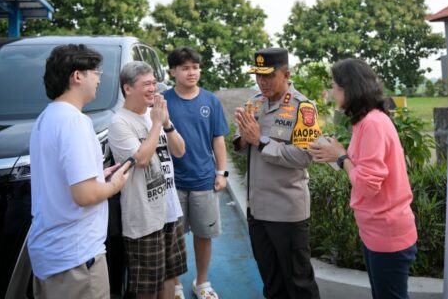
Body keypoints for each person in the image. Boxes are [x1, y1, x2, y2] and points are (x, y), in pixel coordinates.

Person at [308, 58, 418, 299]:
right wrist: (338, 154)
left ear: (349, 88)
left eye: (334, 86)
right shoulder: (366, 122)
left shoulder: (372, 124)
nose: (331, 92)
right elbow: (363, 169)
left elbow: (368, 185)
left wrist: (341, 157)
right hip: (376, 231)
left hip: (386, 233)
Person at [28, 44, 130, 299]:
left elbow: (61, 180)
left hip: (51, 255)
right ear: (77, 76)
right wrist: (114, 185)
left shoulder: (46, 118)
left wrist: (98, 177)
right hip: (77, 259)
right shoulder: (75, 121)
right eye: (95, 72)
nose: (99, 79)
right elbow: (85, 195)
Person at [233, 48, 321, 299]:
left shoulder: (303, 107)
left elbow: (304, 157)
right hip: (257, 209)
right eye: (258, 76)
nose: (262, 82)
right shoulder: (255, 102)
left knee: (299, 284)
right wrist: (244, 138)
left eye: (269, 76)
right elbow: (242, 144)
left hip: (286, 212)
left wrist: (260, 141)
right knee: (271, 283)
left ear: (286, 74)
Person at [108, 61, 187, 299]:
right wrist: (156, 123)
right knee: (147, 287)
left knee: (170, 276)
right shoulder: (120, 122)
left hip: (169, 209)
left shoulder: (156, 116)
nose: (153, 88)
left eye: (154, 83)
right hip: (144, 217)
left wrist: (167, 124)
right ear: (127, 88)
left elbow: (180, 151)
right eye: (146, 84)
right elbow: (141, 159)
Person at [163, 47, 229, 299]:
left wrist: (221, 173)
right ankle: (176, 285)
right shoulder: (163, 101)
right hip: (172, 183)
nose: (192, 72)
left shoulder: (210, 101)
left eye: (195, 67)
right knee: (174, 237)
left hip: (203, 180)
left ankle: (202, 282)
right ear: (173, 72)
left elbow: (218, 139)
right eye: (185, 68)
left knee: (204, 234)